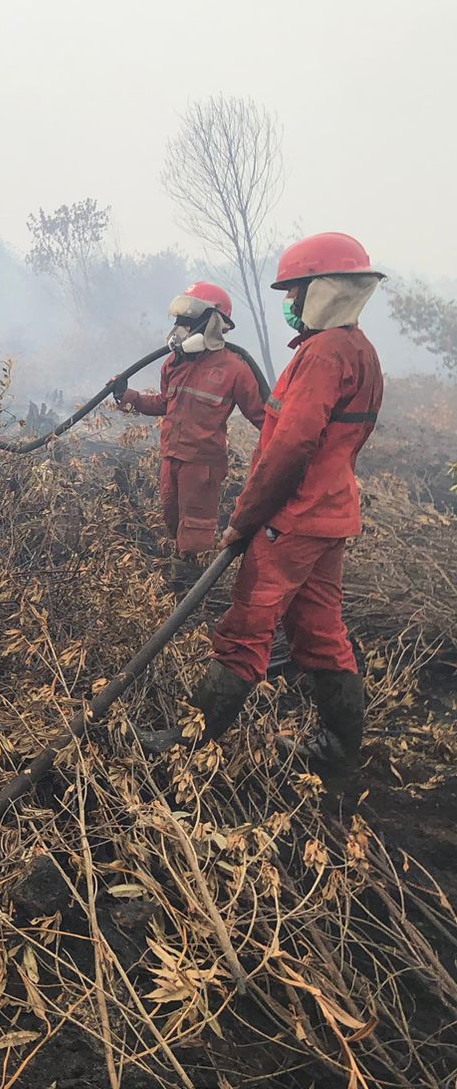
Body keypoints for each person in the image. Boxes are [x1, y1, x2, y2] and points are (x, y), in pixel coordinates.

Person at [139, 234, 385, 769]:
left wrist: (245, 519)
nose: (290, 305)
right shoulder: (359, 351)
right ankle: (340, 749)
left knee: (244, 630)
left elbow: (288, 447)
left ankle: (188, 745)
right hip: (329, 516)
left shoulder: (321, 355)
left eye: (295, 292)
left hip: (290, 520)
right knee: (321, 633)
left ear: (324, 289)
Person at [110, 282, 266, 588]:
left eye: (187, 319)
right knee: (172, 521)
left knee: (194, 535)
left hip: (202, 465)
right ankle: (179, 587)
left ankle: (190, 600)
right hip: (172, 459)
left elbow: (264, 417)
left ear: (212, 322)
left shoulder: (235, 369)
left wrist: (293, 445)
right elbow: (165, 404)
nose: (180, 327)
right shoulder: (175, 363)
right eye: (178, 320)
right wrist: (128, 396)